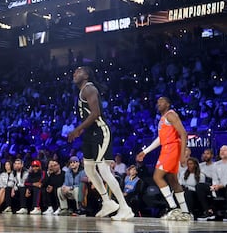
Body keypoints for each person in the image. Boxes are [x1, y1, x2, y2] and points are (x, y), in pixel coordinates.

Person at [68, 66, 134, 220]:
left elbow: (96, 113)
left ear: (87, 75)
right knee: (90, 169)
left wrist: (77, 129)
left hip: (100, 131)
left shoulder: (89, 89)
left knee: (103, 169)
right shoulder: (82, 91)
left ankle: (125, 207)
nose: (75, 73)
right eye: (74, 71)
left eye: (79, 71)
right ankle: (107, 202)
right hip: (90, 133)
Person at [136, 96, 191, 221]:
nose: (158, 103)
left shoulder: (171, 115)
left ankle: (173, 208)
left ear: (168, 104)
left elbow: (183, 134)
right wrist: (145, 151)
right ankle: (185, 212)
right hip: (167, 147)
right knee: (173, 180)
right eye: (157, 102)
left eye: (162, 101)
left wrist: (183, 155)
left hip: (172, 148)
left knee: (157, 176)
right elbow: (160, 139)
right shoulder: (163, 118)